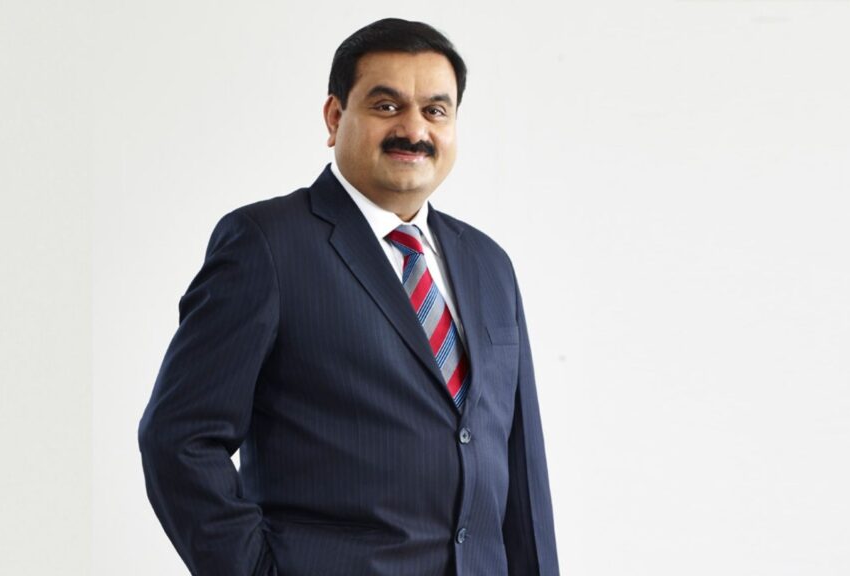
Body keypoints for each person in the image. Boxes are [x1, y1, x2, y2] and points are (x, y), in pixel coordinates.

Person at [138, 18, 559, 576]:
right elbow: (178, 440)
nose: (414, 129)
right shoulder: (267, 245)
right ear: (335, 117)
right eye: (387, 106)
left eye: (436, 110)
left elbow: (521, 471)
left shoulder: (489, 264)